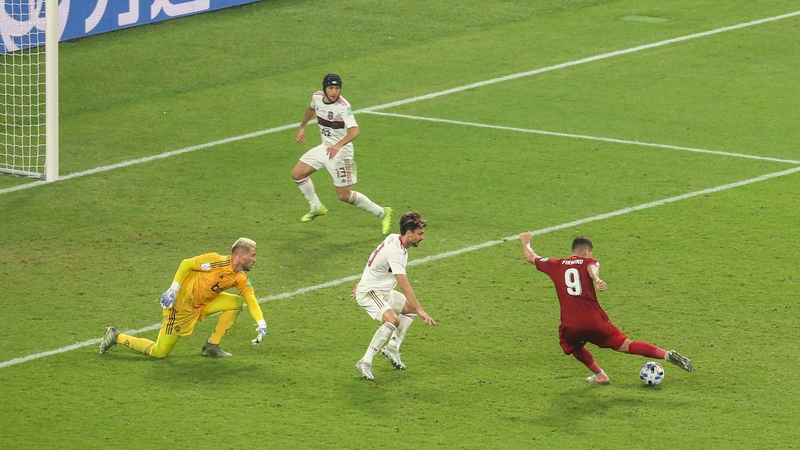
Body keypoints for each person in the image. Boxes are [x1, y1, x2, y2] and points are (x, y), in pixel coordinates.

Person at [519, 232, 693, 384]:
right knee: (627, 345)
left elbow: (530, 257)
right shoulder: (589, 261)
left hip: (571, 325)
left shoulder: (555, 264)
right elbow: (591, 268)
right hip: (596, 322)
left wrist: (526, 242)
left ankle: (600, 375)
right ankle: (666, 355)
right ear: (587, 251)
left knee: (572, 346)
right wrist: (596, 279)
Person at [99, 238, 268, 359]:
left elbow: (251, 300)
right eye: (252, 255)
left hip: (202, 303)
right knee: (159, 352)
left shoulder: (239, 278)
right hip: (181, 307)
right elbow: (187, 263)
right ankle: (116, 336)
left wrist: (261, 323)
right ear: (240, 256)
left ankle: (212, 346)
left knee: (236, 303)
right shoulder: (215, 261)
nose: (255, 259)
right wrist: (173, 289)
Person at [291, 73, 393, 234]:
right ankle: (316, 206)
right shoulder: (317, 97)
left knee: (344, 196)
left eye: (337, 88)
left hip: (341, 153)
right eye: (331, 88)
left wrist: (338, 145)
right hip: (325, 148)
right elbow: (311, 108)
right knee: (297, 173)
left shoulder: (343, 106)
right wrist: (302, 127)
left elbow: (355, 131)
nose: (334, 92)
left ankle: (382, 212)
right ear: (324, 88)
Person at [350, 211, 436, 380]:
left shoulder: (393, 238)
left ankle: (392, 348)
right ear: (409, 233)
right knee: (393, 320)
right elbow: (404, 284)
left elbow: (374, 260)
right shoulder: (396, 252)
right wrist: (421, 310)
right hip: (370, 293)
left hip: (381, 290)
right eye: (420, 234)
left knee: (409, 309)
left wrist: (361, 280)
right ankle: (365, 361)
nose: (423, 237)